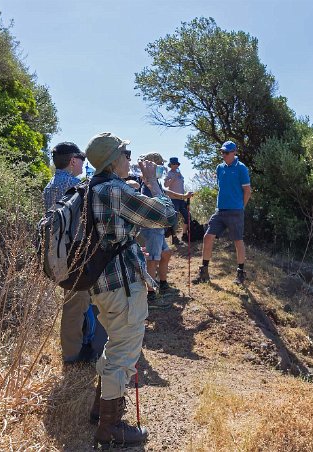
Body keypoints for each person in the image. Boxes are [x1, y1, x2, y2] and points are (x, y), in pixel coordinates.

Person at [84, 132, 176, 447]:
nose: (130, 159)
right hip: (121, 285)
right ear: (114, 159)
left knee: (116, 344)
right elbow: (166, 215)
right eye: (127, 153)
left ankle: (100, 410)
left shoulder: (91, 188)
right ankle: (110, 429)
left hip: (100, 284)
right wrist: (152, 183)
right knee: (123, 354)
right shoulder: (114, 190)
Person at [42, 142, 96, 364]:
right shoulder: (77, 186)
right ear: (73, 160)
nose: (83, 163)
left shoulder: (49, 186)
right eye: (81, 158)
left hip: (57, 252)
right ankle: (73, 355)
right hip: (76, 251)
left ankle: (81, 344)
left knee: (75, 300)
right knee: (76, 303)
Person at [136, 153, 193, 306]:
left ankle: (162, 284)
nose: (162, 168)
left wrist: (182, 196)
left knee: (165, 254)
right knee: (152, 259)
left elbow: (167, 193)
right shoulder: (148, 185)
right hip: (151, 228)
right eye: (159, 165)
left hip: (158, 228)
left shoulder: (155, 183)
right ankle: (151, 293)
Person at [193, 141, 251, 285]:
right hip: (220, 211)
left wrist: (240, 207)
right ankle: (204, 272)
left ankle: (240, 273)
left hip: (235, 211)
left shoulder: (241, 168)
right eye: (222, 152)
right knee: (208, 237)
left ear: (234, 152)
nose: (223, 155)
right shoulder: (220, 168)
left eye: (226, 152)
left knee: (238, 241)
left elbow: (247, 191)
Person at [164, 156, 189, 244]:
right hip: (173, 199)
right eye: (173, 164)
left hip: (182, 199)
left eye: (176, 164)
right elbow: (166, 185)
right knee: (174, 218)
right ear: (170, 165)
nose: (175, 165)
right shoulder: (169, 173)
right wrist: (173, 178)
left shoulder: (180, 173)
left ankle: (184, 235)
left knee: (188, 216)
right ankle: (174, 238)